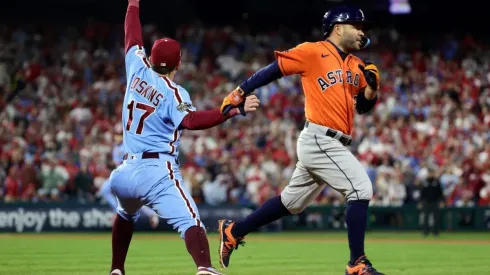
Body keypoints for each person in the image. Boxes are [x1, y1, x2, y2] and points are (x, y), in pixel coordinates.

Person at [218, 6, 384, 275]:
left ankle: (233, 231)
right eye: (358, 26)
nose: (362, 32)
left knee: (291, 203)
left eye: (364, 28)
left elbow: (364, 107)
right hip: (319, 138)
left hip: (335, 143)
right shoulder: (312, 51)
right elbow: (272, 71)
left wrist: (372, 88)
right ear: (338, 28)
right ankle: (357, 263)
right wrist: (240, 91)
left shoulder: (358, 64)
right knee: (360, 189)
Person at [108, 1, 260, 275]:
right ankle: (205, 268)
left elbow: (132, 35)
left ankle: (116, 269)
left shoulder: (136, 69)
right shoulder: (174, 92)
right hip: (156, 171)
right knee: (191, 221)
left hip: (124, 171)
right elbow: (190, 120)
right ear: (178, 63)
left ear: (151, 58)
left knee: (125, 213)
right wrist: (231, 111)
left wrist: (132, 5)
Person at [420, 167, 444, 236]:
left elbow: (440, 192)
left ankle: (435, 231)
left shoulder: (436, 181)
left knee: (436, 217)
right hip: (426, 201)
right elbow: (422, 192)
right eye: (429, 173)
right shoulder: (425, 181)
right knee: (425, 217)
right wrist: (421, 201)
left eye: (432, 173)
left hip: (435, 201)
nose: (431, 174)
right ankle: (425, 231)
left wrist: (441, 201)